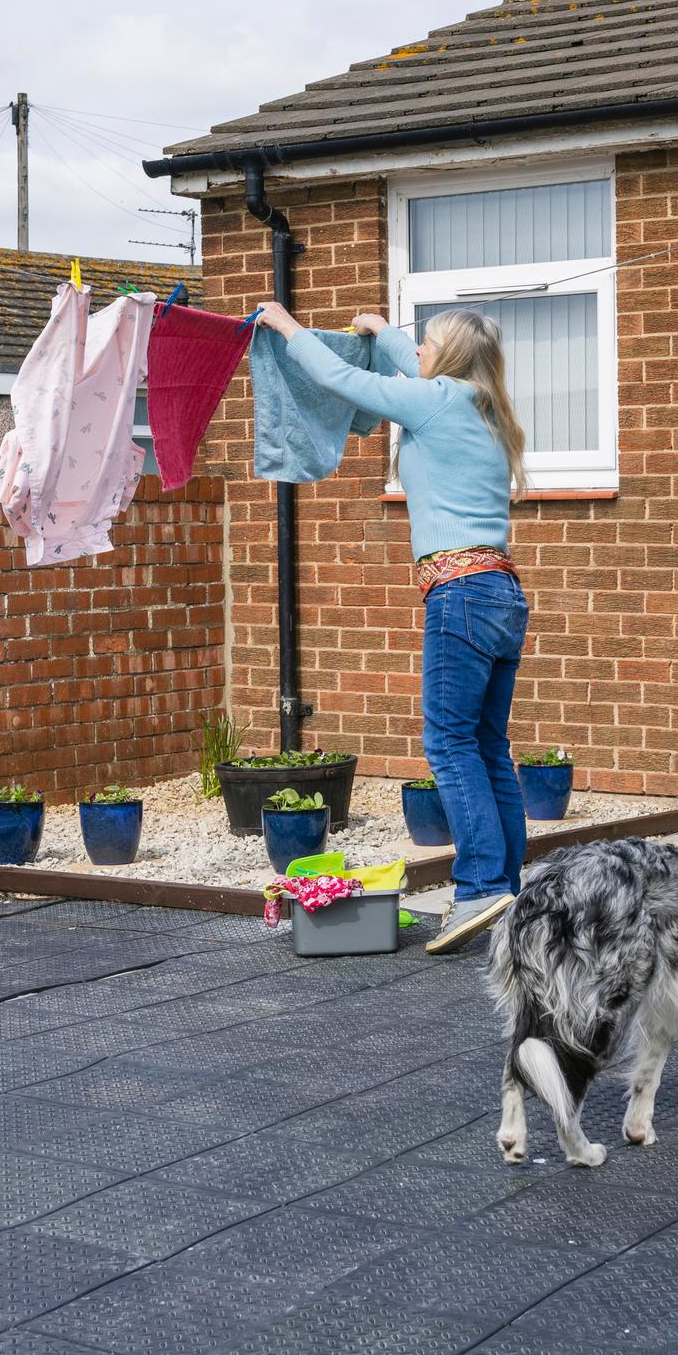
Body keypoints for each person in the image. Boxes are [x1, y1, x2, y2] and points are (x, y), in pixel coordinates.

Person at [252, 301, 529, 948]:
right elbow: (414, 363)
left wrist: (290, 329)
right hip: (501, 593)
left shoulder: (434, 400)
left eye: (428, 344)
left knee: (450, 745)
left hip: (458, 594)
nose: (419, 352)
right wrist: (385, 332)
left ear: (448, 359)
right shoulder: (483, 405)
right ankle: (509, 887)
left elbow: (349, 383)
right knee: (488, 747)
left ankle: (481, 886)